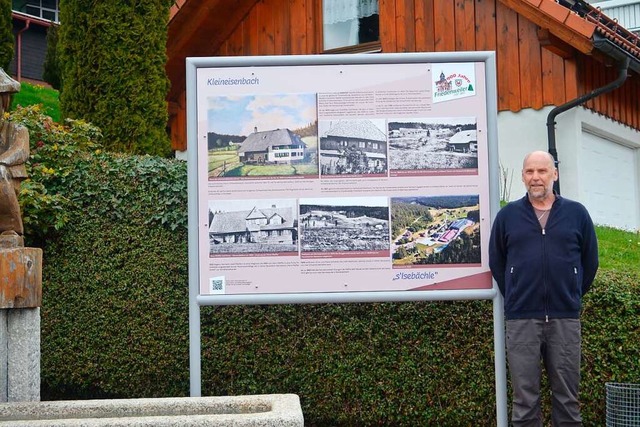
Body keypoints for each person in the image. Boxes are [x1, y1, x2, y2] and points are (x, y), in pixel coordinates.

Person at [489, 150, 599, 426]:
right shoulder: (508, 216)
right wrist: (516, 294)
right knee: (525, 403)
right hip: (522, 319)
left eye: (542, 171)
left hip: (564, 319)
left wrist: (570, 293)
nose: (535, 177)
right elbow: (497, 261)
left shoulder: (577, 214)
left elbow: (590, 261)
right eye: (529, 172)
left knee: (568, 401)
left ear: (554, 175)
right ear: (523, 176)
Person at [0, 68, 29, 236]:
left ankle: (10, 229)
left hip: (8, 177)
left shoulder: (17, 129)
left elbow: (21, 150)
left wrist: (2, 161)